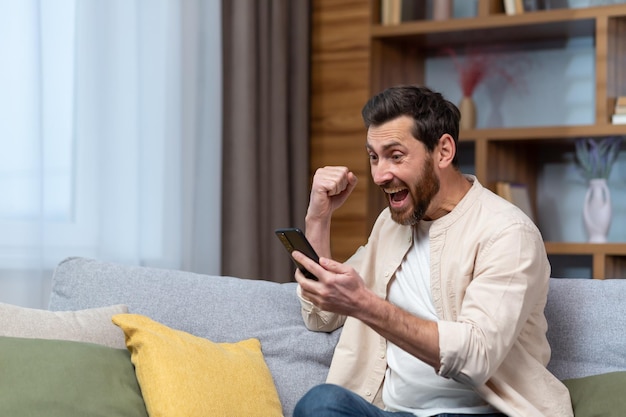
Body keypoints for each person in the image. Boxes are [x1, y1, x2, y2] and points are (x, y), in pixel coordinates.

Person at [290, 85, 573, 417]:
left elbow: (475, 358)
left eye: (396, 155)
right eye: (373, 157)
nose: (380, 175)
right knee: (320, 403)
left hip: (477, 414)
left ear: (443, 151)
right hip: (393, 412)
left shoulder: (508, 233)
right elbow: (322, 315)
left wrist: (366, 305)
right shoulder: (389, 226)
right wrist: (319, 218)